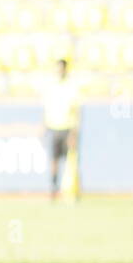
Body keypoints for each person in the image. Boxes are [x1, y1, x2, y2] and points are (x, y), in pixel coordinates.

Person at [41, 58, 79, 201]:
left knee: (70, 161)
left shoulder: (71, 87)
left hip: (67, 127)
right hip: (53, 127)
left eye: (61, 68)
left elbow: (76, 110)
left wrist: (74, 131)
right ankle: (53, 188)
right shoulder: (50, 87)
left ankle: (70, 191)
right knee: (54, 161)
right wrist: (43, 126)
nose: (59, 71)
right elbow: (46, 108)